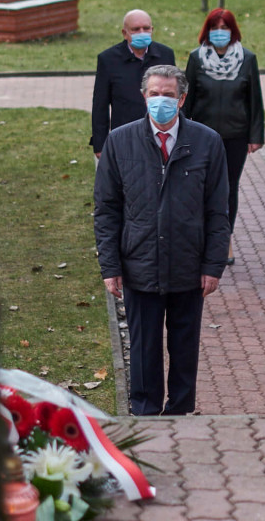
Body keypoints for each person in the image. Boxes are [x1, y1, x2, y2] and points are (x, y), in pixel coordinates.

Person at [94, 65, 230, 416]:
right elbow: (106, 210)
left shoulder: (207, 142)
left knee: (185, 349)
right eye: (154, 94)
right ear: (143, 96)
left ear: (182, 99)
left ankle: (181, 413)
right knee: (143, 350)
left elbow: (218, 211)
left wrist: (213, 265)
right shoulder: (119, 141)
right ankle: (145, 414)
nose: (160, 101)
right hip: (139, 265)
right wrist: (110, 267)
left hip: (189, 265)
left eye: (168, 95)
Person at [183, 8, 264, 266]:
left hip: (235, 136)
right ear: (207, 30)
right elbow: (187, 100)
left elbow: (254, 101)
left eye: (225, 27)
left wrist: (256, 135)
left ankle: (224, 240)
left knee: (228, 188)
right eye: (215, 27)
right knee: (201, 187)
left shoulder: (247, 59)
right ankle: (201, 239)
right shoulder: (196, 59)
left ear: (233, 30)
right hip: (202, 138)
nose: (220, 32)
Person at [90, 9, 176, 161]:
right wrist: (100, 144)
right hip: (125, 137)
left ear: (152, 30)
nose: (142, 32)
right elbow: (100, 105)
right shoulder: (108, 59)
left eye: (146, 28)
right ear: (125, 33)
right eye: (136, 29)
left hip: (160, 136)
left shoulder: (166, 55)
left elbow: (176, 96)